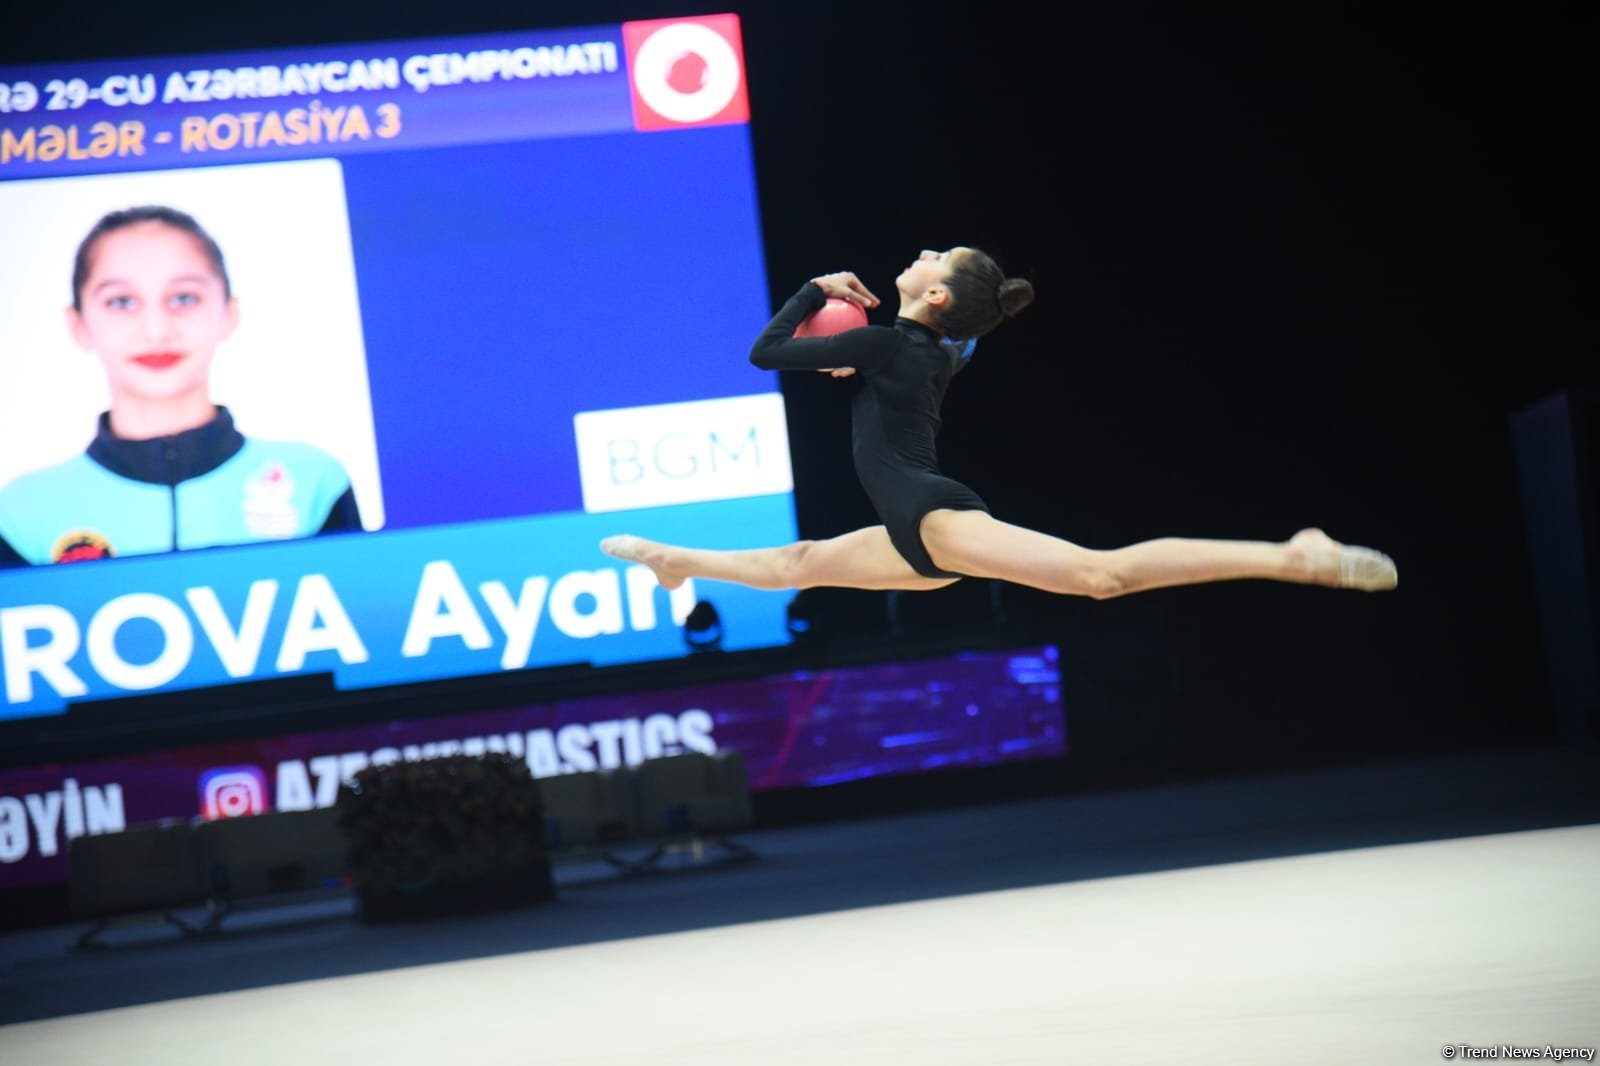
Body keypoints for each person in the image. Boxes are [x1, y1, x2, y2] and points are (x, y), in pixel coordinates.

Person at [601, 246, 1397, 599]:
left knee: (1100, 576)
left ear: (937, 296)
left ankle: (1294, 555)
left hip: (930, 512)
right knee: (799, 562)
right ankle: (678, 563)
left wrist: (815, 292)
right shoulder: (921, 350)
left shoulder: (895, 345)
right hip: (911, 528)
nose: (918, 253)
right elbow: (947, 341)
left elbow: (765, 353)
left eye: (935, 256)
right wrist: (861, 347)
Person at [0, 205, 362, 567]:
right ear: (78, 324)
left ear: (229, 313)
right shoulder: (21, 516)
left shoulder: (313, 482)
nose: (156, 330)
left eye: (184, 298)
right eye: (121, 302)